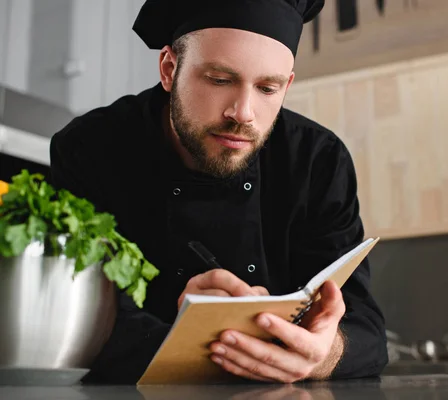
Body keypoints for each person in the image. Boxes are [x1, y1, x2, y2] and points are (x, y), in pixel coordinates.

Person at [49, 0, 388, 384]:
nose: (243, 113)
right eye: (220, 80)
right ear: (169, 68)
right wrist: (187, 334)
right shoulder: (91, 148)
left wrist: (322, 353)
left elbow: (365, 328)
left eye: (267, 88)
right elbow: (76, 319)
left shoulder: (318, 162)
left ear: (287, 85)